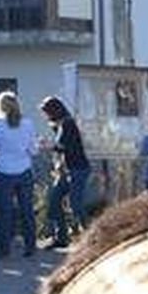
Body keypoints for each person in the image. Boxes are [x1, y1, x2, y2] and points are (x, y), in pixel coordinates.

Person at [0, 91, 39, 258]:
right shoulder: (28, 123)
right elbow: (33, 149)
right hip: (24, 169)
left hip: (3, 170)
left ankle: (4, 248)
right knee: (27, 210)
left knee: (5, 211)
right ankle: (30, 246)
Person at [40, 96, 91, 248]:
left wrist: (46, 145)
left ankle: (90, 235)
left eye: (46, 112)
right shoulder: (62, 124)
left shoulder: (67, 124)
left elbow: (62, 146)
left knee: (76, 204)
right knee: (54, 201)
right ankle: (61, 237)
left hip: (77, 169)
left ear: (54, 111)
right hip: (67, 170)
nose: (45, 115)